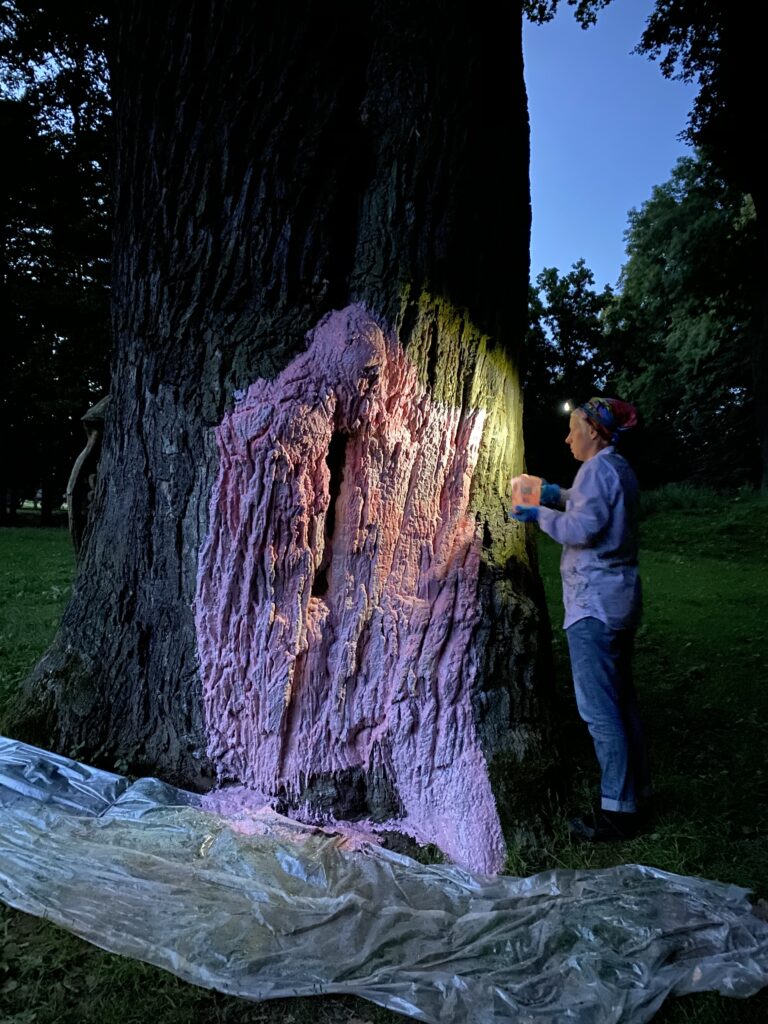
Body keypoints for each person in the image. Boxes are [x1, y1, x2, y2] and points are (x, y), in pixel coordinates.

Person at [511, 397, 651, 842]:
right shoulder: (617, 469)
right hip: (618, 600)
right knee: (621, 701)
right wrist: (556, 493)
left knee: (599, 710)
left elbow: (582, 529)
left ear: (594, 430)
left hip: (594, 604)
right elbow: (590, 505)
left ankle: (617, 811)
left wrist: (537, 512)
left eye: (574, 429)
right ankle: (636, 792)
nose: (568, 437)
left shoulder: (597, 470)